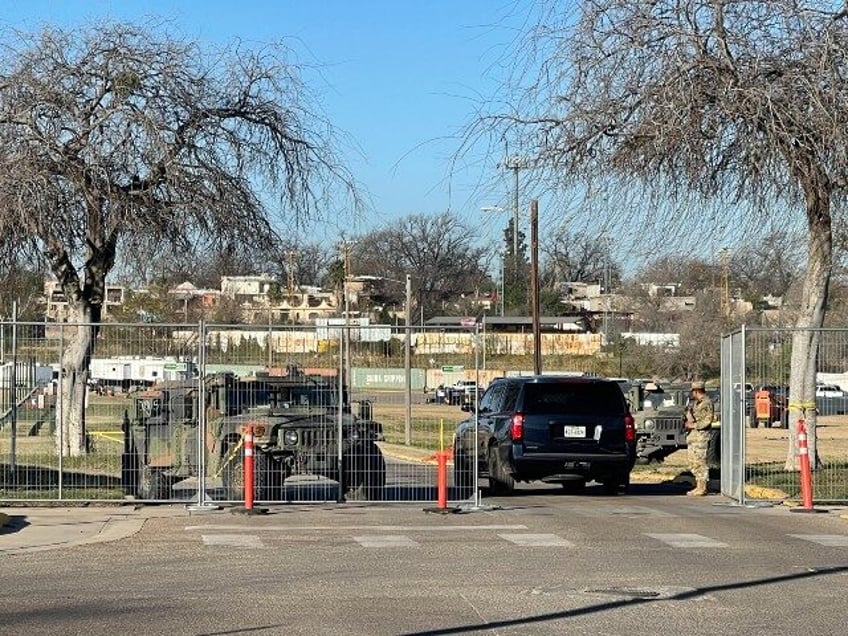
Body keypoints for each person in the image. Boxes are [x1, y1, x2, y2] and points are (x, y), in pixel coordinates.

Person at [683, 380, 714, 496]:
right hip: (693, 437)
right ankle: (698, 486)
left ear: (696, 391)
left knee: (700, 462)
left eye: (693, 392)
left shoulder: (706, 403)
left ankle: (702, 487)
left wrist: (694, 425)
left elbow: (707, 420)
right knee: (694, 462)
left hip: (701, 437)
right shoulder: (697, 403)